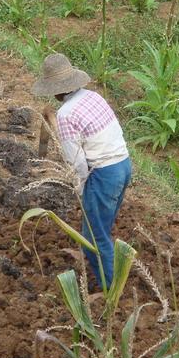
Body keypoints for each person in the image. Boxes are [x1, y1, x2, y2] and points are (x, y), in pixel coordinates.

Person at [32, 53, 131, 289]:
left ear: (56, 90)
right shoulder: (93, 97)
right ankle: (113, 267)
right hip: (124, 165)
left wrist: (81, 185)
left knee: (93, 237)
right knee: (102, 229)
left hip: (104, 175)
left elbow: (76, 162)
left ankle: (111, 290)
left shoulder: (66, 115)